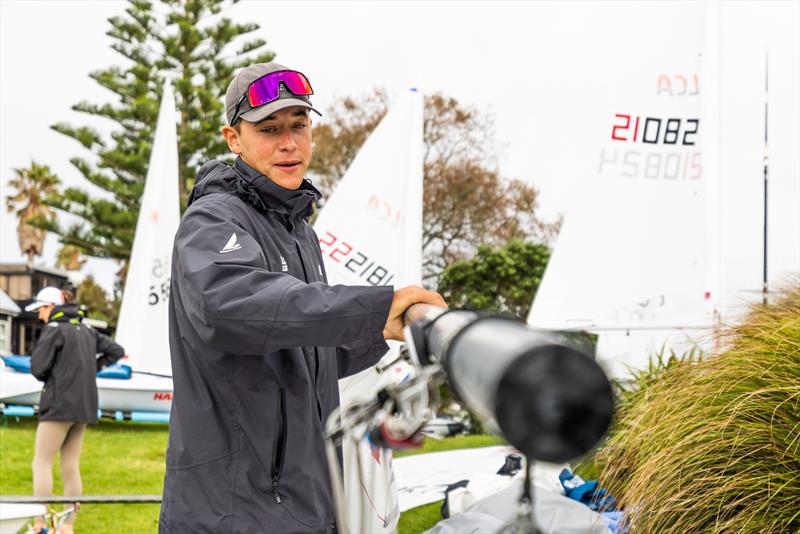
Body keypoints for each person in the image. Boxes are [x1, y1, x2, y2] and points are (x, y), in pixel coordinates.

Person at [159, 62, 446, 533]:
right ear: (234, 139)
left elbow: (306, 349)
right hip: (231, 512)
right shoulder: (211, 220)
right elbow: (232, 307)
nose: (289, 142)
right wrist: (374, 305)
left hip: (305, 502)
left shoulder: (300, 234)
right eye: (269, 129)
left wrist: (383, 330)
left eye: (299, 125)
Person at [27, 286, 125, 533]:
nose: (39, 315)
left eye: (40, 309)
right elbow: (117, 351)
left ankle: (40, 522)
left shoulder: (53, 329)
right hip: (84, 407)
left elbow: (38, 369)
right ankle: (68, 526)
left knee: (42, 463)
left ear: (50, 307)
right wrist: (94, 366)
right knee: (70, 465)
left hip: (58, 407)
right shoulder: (88, 330)